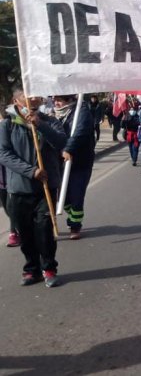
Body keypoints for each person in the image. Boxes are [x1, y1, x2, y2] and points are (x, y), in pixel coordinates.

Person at [0, 89, 67, 287]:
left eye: (35, 96)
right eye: (27, 96)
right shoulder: (8, 124)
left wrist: (40, 125)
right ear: (16, 101)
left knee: (45, 230)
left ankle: (49, 268)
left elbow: (62, 142)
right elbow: (3, 154)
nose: (32, 99)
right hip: (19, 188)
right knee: (26, 234)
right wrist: (31, 171)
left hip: (45, 187)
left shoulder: (50, 121)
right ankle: (32, 269)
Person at [53, 95, 95, 240]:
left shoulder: (82, 112)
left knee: (76, 195)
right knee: (62, 197)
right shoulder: (55, 115)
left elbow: (80, 132)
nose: (56, 103)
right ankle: (73, 215)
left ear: (69, 100)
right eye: (54, 100)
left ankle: (75, 225)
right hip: (60, 162)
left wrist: (69, 149)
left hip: (80, 162)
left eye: (59, 100)